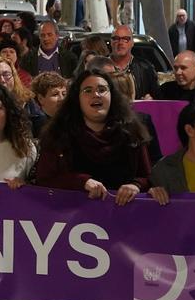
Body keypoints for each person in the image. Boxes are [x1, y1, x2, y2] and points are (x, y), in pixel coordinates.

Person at [32, 68, 153, 205]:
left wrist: (136, 186)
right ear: (77, 99)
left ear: (112, 95)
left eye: (102, 89)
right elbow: (45, 179)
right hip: (75, 218)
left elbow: (148, 177)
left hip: (124, 215)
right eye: (88, 91)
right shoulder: (58, 134)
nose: (96, 94)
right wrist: (82, 182)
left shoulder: (132, 132)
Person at [110, 25, 158, 100]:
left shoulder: (145, 68)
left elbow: (157, 97)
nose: (120, 42)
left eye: (125, 39)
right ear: (111, 42)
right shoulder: (100, 66)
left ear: (132, 43)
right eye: (116, 39)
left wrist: (150, 100)